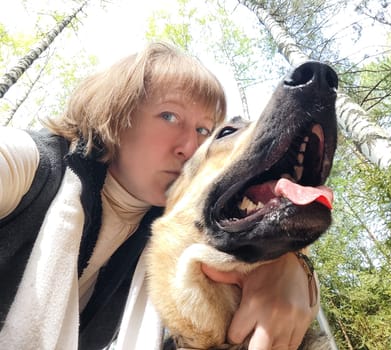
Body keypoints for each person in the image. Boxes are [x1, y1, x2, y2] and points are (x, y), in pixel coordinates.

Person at [0, 41, 320, 350]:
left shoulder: (172, 231)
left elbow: (243, 254)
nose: (191, 147)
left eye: (204, 131)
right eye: (170, 116)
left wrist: (291, 268)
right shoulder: (34, 166)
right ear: (116, 113)